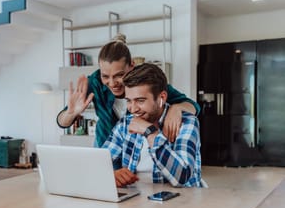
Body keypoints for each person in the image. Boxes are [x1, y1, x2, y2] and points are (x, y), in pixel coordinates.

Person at [56, 34, 200, 147]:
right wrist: (71, 113)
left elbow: (193, 106)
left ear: (132, 65)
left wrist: (177, 108)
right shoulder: (94, 82)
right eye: (105, 76)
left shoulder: (146, 81)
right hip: (106, 144)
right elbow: (62, 122)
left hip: (135, 148)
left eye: (119, 75)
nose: (112, 83)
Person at [102, 63, 202, 188]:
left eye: (140, 100)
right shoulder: (125, 124)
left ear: (162, 97)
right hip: (136, 200)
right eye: (128, 100)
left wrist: (150, 132)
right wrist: (111, 175)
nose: (132, 109)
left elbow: (182, 177)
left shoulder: (187, 123)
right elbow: (99, 163)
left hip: (180, 200)